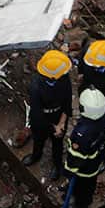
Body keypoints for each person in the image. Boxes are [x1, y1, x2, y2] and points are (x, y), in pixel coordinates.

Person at [64, 88, 105, 208]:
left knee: (83, 188)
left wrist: (68, 172)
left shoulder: (82, 133)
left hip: (84, 170)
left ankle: (81, 206)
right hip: (98, 161)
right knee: (89, 186)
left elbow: (76, 157)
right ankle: (79, 197)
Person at [24, 50, 73, 179]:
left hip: (59, 117)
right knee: (38, 140)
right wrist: (53, 128)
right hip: (42, 120)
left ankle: (57, 165)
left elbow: (67, 102)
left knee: (58, 144)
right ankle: (36, 156)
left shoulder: (64, 79)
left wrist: (61, 123)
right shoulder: (36, 87)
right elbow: (37, 114)